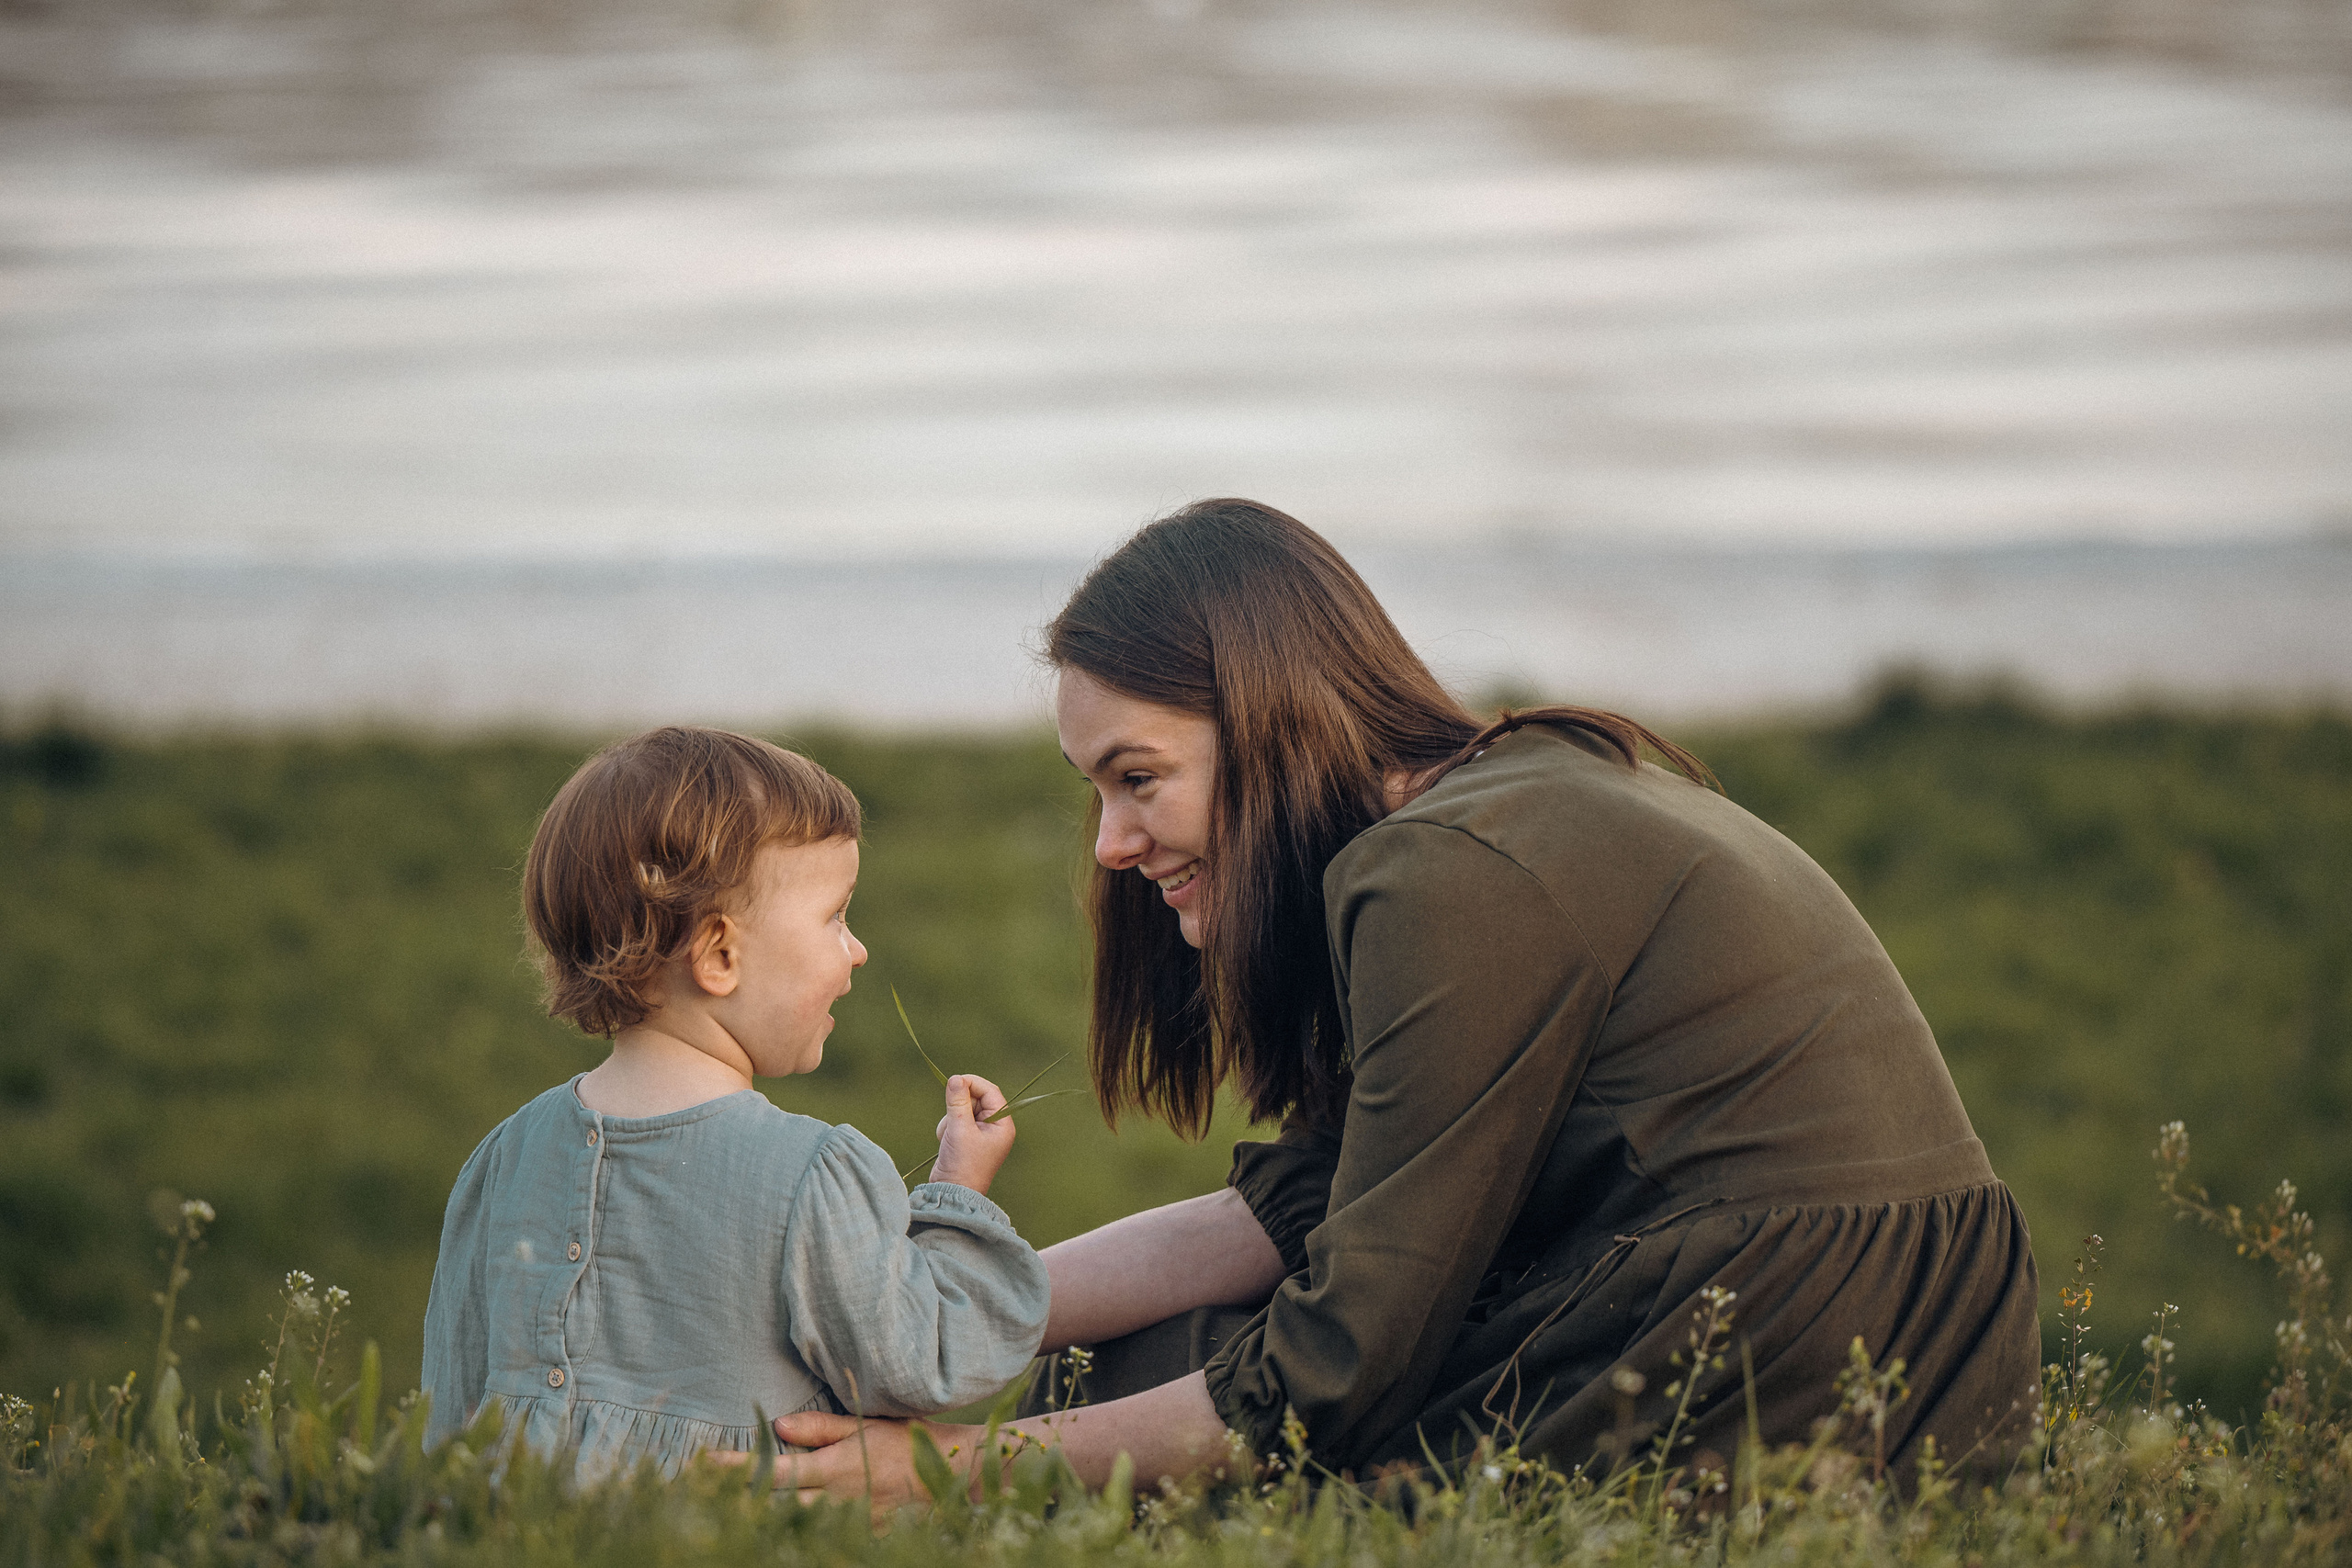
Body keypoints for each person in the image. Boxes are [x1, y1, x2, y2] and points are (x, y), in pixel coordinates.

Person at [771, 500, 2040, 1503]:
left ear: (1269, 716)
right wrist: (924, 1315)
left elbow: (1339, 1360)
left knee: (1170, 1411)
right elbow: (1317, 1205)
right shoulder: (1499, 799)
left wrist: (952, 1466)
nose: (1110, 840)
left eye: (1139, 776)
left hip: (1783, 1342)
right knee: (1154, 1351)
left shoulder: (1443, 866)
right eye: (1096, 788)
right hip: (1845, 1316)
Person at [421, 725, 1049, 1481]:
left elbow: (450, 1400)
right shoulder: (811, 1172)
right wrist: (956, 1197)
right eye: (837, 917)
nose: (858, 950)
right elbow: (925, 1362)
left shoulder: (504, 1154)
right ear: (720, 956)